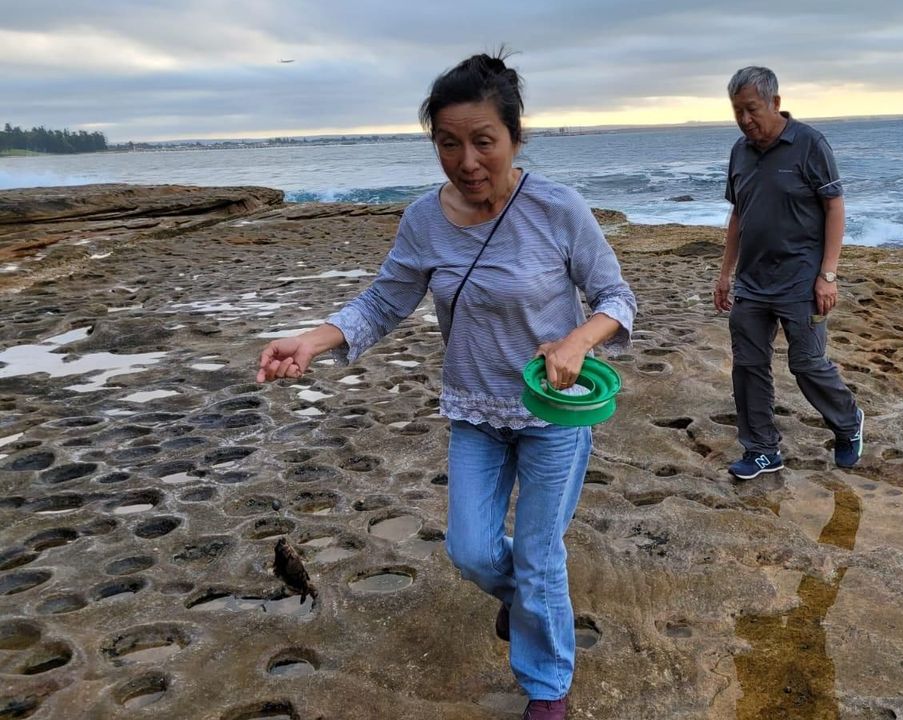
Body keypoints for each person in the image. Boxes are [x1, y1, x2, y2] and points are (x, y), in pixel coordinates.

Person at [256, 52, 635, 720]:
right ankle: (525, 603)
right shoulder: (423, 222)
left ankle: (547, 686)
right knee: (471, 550)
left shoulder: (558, 209)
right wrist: (311, 341)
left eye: (483, 141)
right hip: (475, 410)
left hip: (555, 412)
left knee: (542, 552)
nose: (467, 161)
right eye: (449, 144)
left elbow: (615, 298)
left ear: (516, 138)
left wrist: (577, 340)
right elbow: (381, 303)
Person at [713, 65, 864, 480]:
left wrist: (828, 275)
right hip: (752, 283)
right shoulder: (739, 152)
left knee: (807, 363)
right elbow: (738, 214)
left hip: (801, 281)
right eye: (737, 111)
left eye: (752, 109)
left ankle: (848, 423)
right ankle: (762, 449)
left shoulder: (810, 144)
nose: (745, 120)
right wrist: (725, 273)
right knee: (748, 366)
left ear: (775, 103)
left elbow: (834, 206)